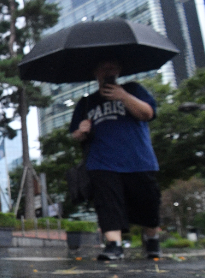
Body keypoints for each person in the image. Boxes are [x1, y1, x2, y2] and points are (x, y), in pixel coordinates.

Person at [69, 58, 161, 260]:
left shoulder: (134, 89)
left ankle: (151, 240)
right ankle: (114, 244)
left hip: (138, 159)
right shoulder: (86, 102)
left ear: (119, 70)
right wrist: (81, 131)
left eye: (111, 68)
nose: (107, 72)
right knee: (107, 203)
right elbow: (75, 134)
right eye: (102, 68)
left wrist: (123, 96)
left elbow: (148, 113)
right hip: (101, 161)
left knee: (149, 203)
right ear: (96, 73)